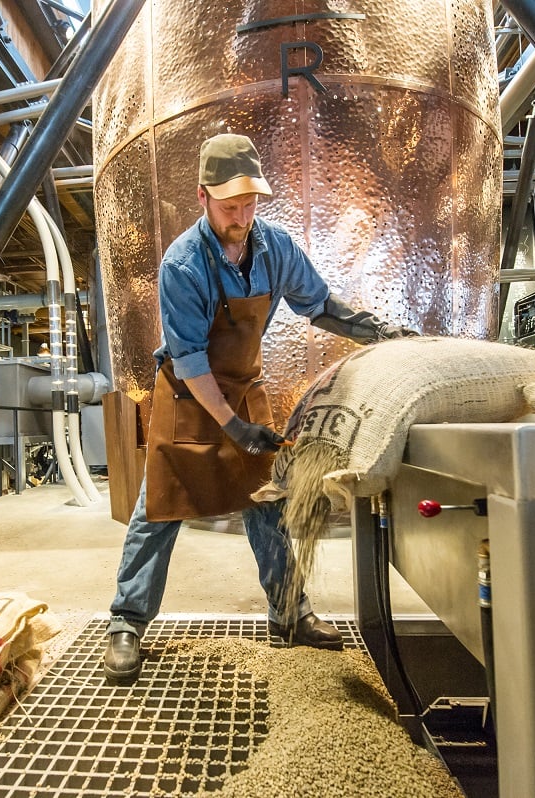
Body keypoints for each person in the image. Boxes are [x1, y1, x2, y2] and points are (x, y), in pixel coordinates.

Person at [104, 133, 414, 685]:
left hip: (243, 388)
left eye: (249, 204)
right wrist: (232, 426)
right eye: (229, 207)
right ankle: (127, 621)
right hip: (188, 393)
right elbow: (193, 360)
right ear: (202, 197)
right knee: (160, 507)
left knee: (266, 503)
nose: (241, 217)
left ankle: (289, 614)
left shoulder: (275, 248)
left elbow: (317, 304)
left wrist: (374, 330)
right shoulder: (183, 265)